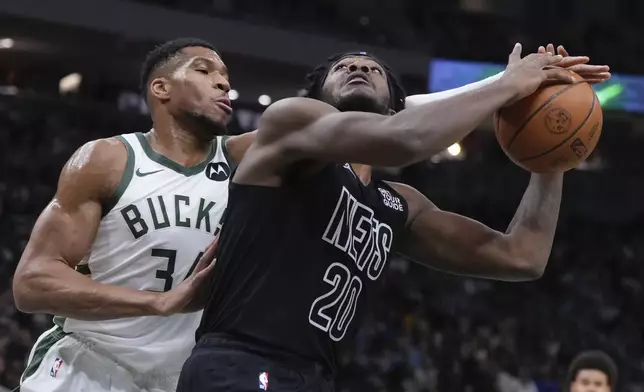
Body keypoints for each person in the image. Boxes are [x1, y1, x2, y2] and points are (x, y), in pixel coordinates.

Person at [176, 44, 610, 391]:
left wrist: (552, 153)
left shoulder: (397, 203)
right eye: (343, 67)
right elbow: (408, 139)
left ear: (392, 105)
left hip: (314, 376)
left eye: (374, 70)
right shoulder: (290, 127)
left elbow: (522, 256)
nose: (358, 69)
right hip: (241, 360)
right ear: (317, 97)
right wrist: (509, 85)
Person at [13, 38, 254, 392]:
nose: (224, 83)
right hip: (88, 365)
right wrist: (161, 303)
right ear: (161, 88)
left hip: (176, 379)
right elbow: (32, 281)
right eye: (204, 71)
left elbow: (325, 137)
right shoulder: (109, 159)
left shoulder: (243, 159)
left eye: (225, 76)